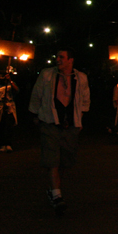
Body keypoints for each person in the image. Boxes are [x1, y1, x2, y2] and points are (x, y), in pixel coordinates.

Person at [29, 47, 90, 216]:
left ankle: (54, 189)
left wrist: (80, 119)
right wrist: (35, 114)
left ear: (71, 60)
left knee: (65, 160)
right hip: (49, 122)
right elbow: (37, 94)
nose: (58, 60)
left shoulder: (81, 78)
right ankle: (57, 195)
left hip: (70, 125)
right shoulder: (47, 75)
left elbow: (85, 100)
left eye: (62, 57)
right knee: (52, 159)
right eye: (57, 57)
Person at [0, 71, 19, 152]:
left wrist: (10, 81)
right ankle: (2, 144)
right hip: (1, 106)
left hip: (10, 106)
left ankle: (8, 144)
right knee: (1, 125)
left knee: (9, 125)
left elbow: (17, 90)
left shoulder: (10, 84)